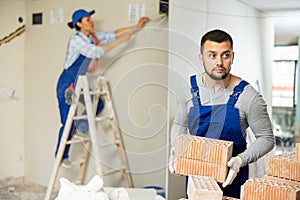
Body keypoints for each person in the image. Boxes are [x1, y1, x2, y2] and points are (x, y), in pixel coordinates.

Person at [169, 29, 275, 198]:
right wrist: (175, 150)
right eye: (212, 55)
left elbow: (267, 138)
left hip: (232, 179)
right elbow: (180, 124)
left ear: (232, 57)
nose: (219, 62)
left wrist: (240, 160)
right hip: (196, 181)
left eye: (225, 55)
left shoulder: (249, 96)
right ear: (201, 58)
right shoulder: (188, 89)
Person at [55, 9, 149, 168]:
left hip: (81, 81)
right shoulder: (76, 41)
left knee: (97, 104)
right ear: (78, 24)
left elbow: (113, 33)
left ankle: (82, 126)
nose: (91, 22)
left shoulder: (92, 37)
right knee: (67, 121)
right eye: (86, 20)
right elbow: (96, 51)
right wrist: (121, 41)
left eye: (90, 19)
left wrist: (137, 26)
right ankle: (61, 155)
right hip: (68, 84)